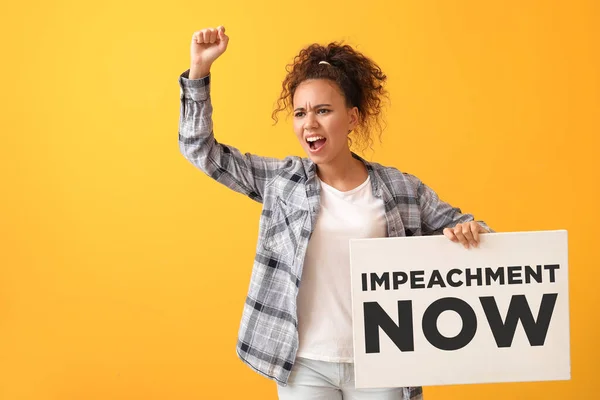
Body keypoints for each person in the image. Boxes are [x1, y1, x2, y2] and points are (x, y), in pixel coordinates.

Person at [178, 26, 493, 400]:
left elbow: (472, 230)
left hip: (383, 359)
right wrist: (199, 72)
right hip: (303, 363)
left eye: (323, 110)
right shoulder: (283, 183)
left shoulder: (401, 189)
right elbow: (202, 151)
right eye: (300, 113)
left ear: (353, 118)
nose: (309, 123)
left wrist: (469, 232)